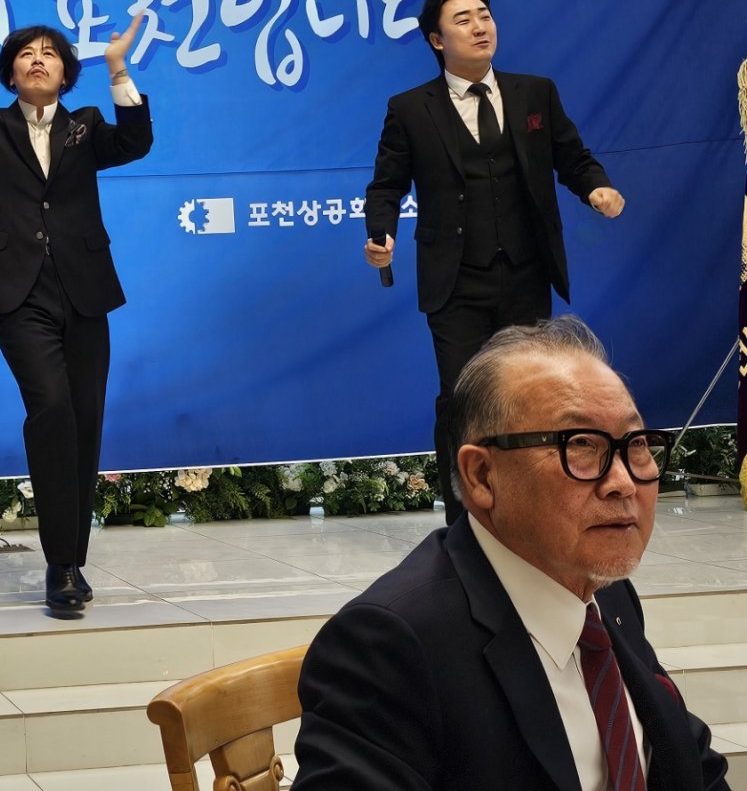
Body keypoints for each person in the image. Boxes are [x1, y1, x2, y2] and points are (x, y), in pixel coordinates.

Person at [292, 317, 729, 790]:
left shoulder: (608, 595)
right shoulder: (389, 647)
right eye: (581, 446)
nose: (623, 482)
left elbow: (691, 766)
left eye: (636, 444)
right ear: (482, 476)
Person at [365, 0, 624, 521]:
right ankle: (463, 521)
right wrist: (380, 233)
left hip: (526, 272)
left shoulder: (535, 93)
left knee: (531, 396)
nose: (480, 26)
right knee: (461, 399)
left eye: (484, 15)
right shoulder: (410, 108)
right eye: (463, 20)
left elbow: (573, 158)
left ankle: (531, 510)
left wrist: (596, 187)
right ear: (437, 41)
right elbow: (386, 186)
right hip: (455, 279)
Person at [0, 15, 151, 615]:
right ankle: (60, 564)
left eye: (49, 53)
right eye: (26, 53)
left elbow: (136, 143)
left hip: (85, 290)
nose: (37, 59)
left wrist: (119, 70)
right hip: (19, 293)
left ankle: (71, 558)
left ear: (66, 73)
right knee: (51, 409)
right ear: (11, 73)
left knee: (86, 420)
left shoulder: (86, 125)